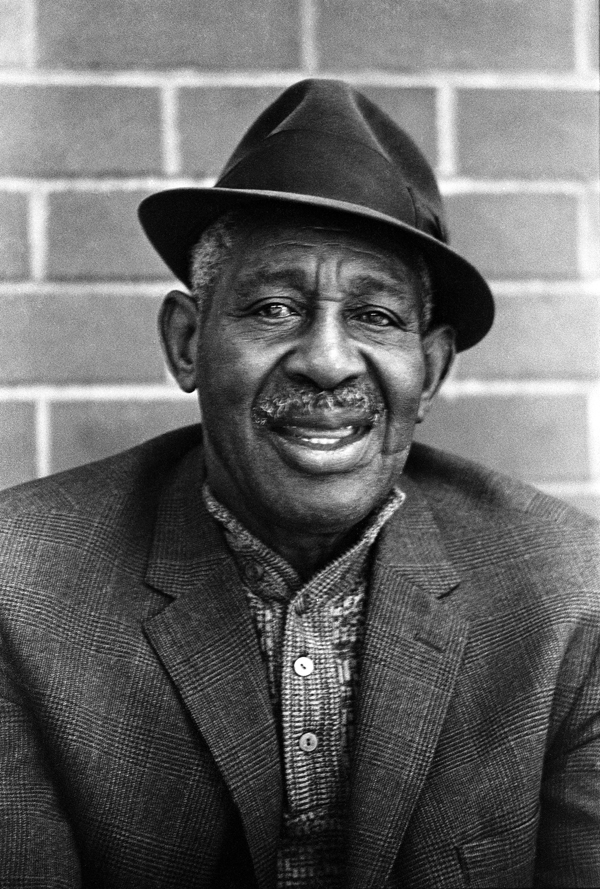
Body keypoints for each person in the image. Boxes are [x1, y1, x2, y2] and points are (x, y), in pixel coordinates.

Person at [0, 78, 598, 889]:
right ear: (187, 342)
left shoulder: (570, 598)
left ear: (430, 372)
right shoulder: (20, 585)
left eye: (376, 316)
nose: (327, 360)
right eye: (275, 307)